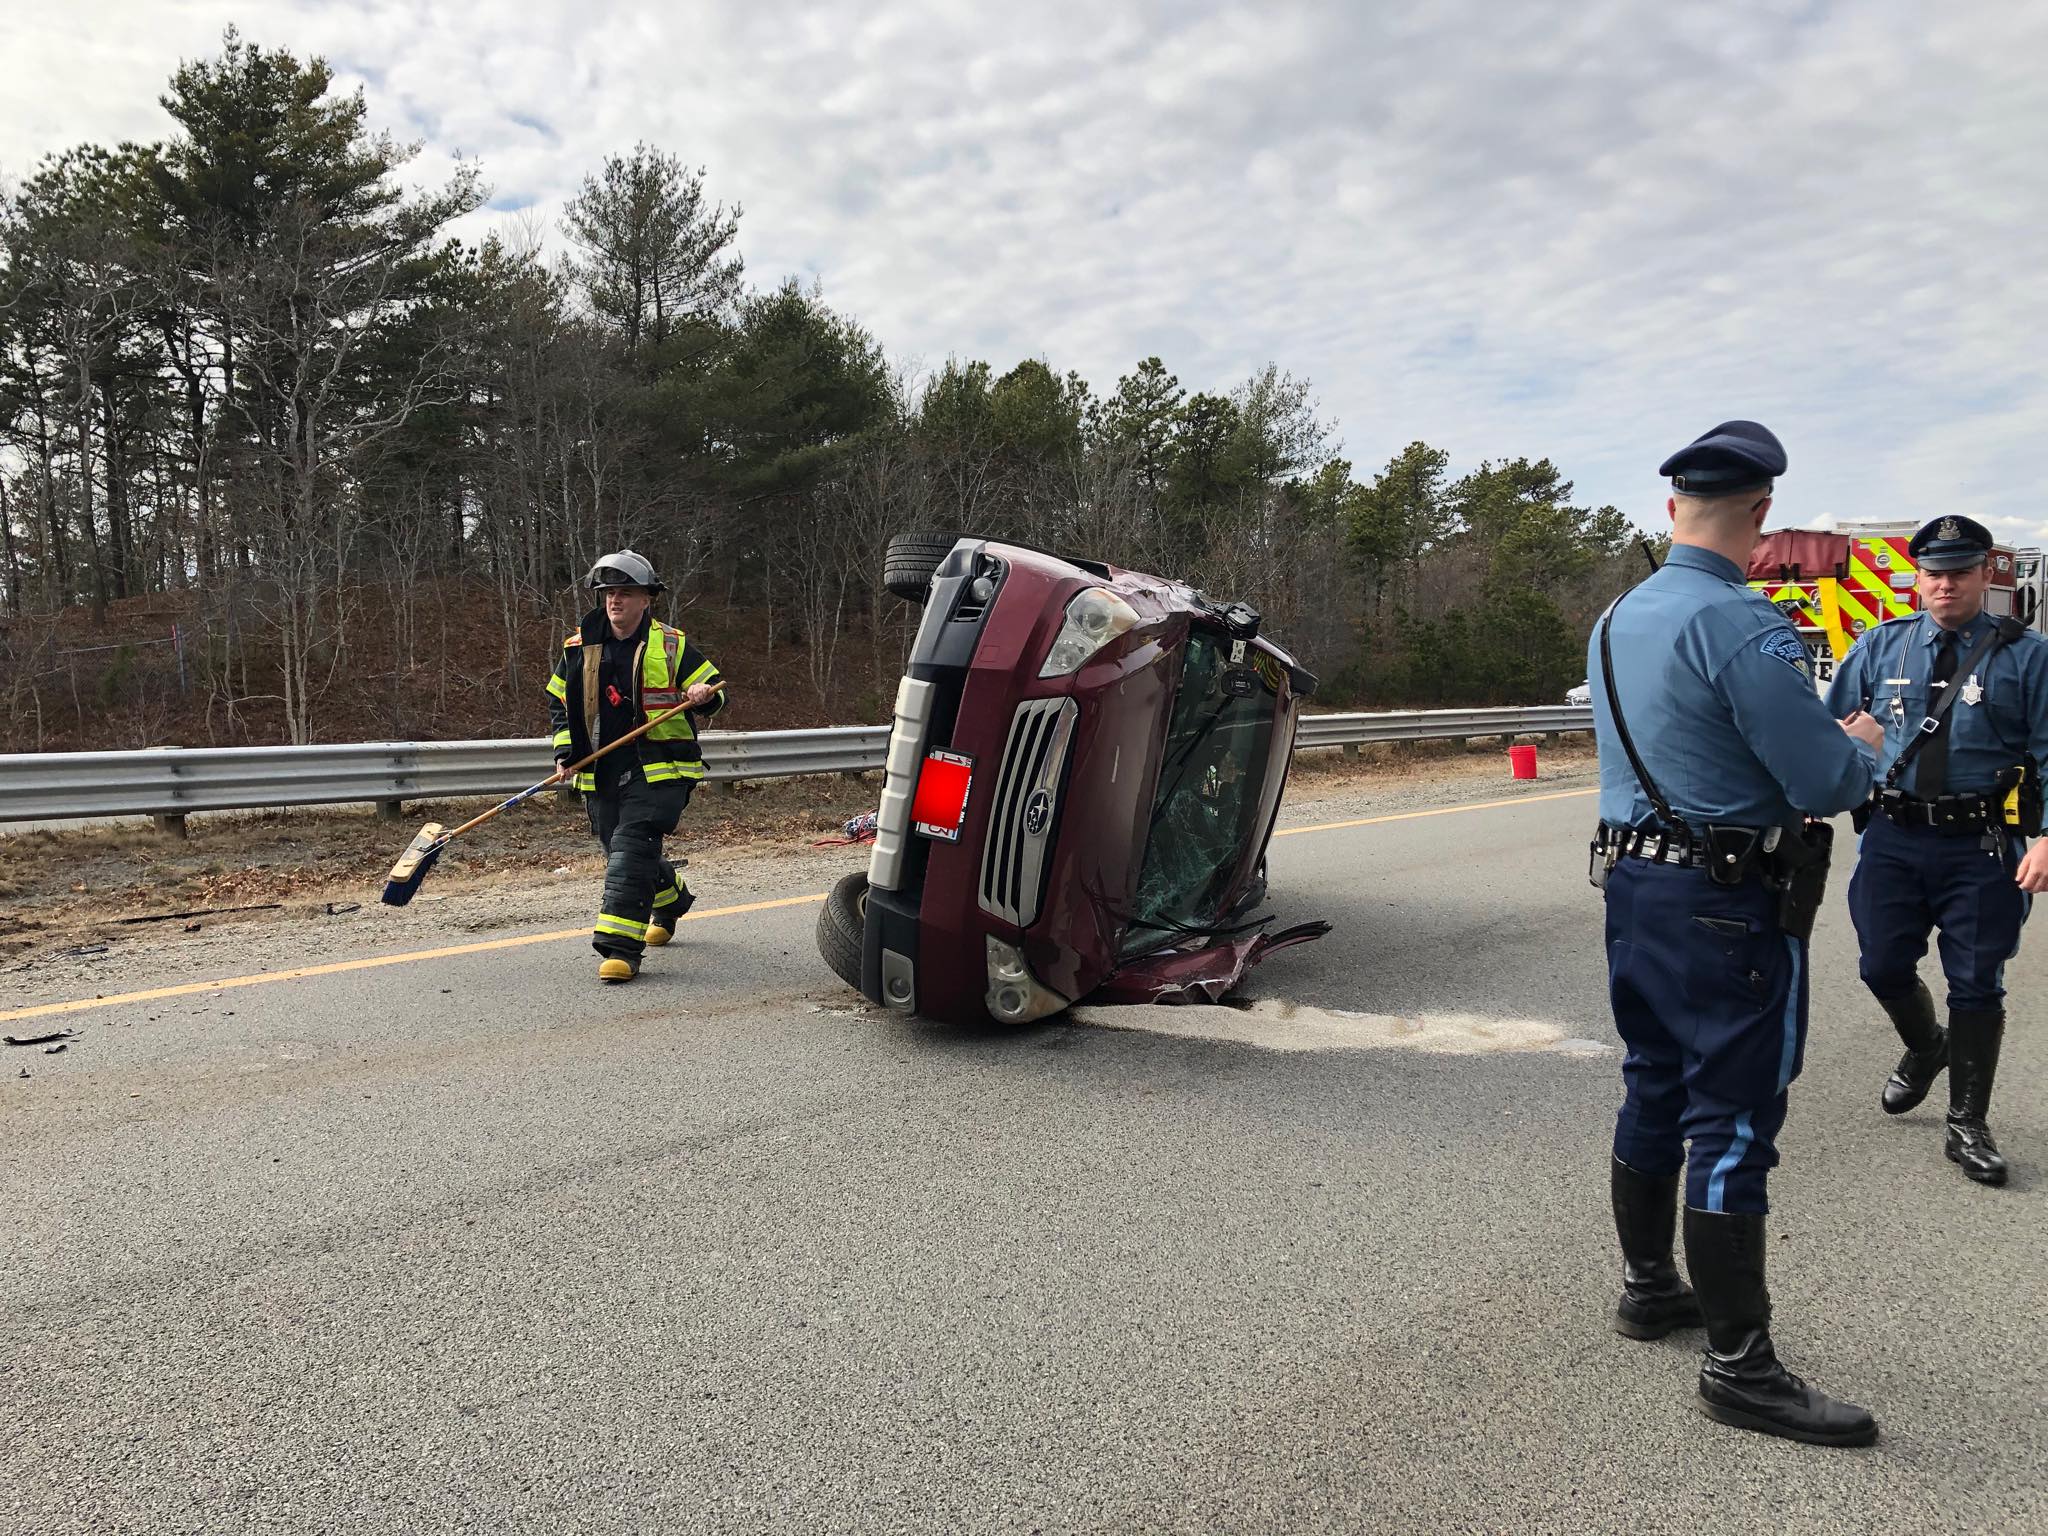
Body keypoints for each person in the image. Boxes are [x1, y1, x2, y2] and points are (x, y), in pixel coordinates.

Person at [1589, 420, 1885, 1447]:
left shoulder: (1616, 614)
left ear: (1672, 507)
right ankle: (1739, 1368)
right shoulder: (1742, 623)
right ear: (1760, 514)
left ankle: (1647, 1286)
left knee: (1653, 1083)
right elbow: (1823, 779)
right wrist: (1861, 743)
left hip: (1632, 887)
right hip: (1722, 903)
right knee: (1733, 1118)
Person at [1824, 515, 2048, 1186]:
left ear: (1983, 575)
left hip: (1981, 844)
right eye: (1933, 573)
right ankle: (1927, 1047)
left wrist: (2046, 837)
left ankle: (1967, 1123)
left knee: (1977, 981)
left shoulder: (2028, 656)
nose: (1945, 584)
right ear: (1917, 579)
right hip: (1894, 836)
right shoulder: (1882, 646)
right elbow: (1826, 727)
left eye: (1959, 572)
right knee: (1881, 965)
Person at [546, 550, 726, 983]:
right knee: (622, 850)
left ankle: (620, 949)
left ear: (647, 599)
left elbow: (716, 692)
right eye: (609, 592)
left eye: (625, 592)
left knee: (630, 846)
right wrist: (565, 753)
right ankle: (672, 899)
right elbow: (559, 702)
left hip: (661, 770)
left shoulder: (671, 644)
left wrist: (702, 694)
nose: (615, 600)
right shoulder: (578, 647)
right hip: (602, 769)